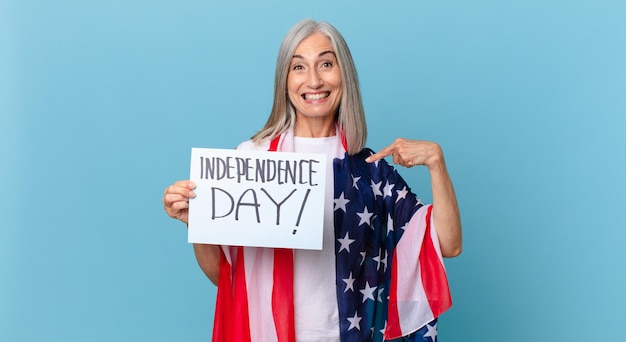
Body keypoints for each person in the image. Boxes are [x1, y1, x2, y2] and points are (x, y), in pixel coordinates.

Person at [162, 19, 462, 342]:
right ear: (285, 81)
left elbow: (449, 243)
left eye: (326, 64)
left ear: (343, 74)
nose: (314, 80)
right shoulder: (252, 160)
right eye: (299, 67)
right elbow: (225, 277)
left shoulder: (370, 171)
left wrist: (436, 162)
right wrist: (199, 223)